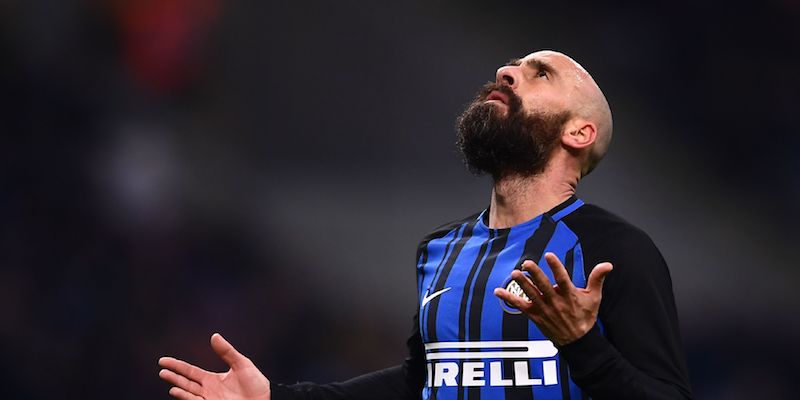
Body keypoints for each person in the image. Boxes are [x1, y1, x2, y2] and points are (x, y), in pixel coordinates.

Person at [158, 50, 693, 400]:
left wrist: (582, 345)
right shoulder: (441, 250)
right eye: (512, 67)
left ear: (578, 133)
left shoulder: (615, 251)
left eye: (540, 74)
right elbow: (420, 384)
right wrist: (276, 397)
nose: (507, 73)